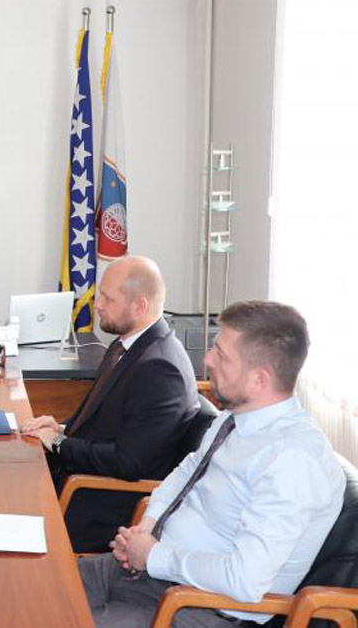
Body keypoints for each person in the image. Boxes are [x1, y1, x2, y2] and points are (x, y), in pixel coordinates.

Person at [80, 300, 345, 627]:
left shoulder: (294, 460)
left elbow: (244, 579)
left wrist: (154, 556)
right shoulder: (235, 418)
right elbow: (188, 471)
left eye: (221, 355)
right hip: (149, 571)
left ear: (259, 380)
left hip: (199, 606)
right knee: (32, 585)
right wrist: (146, 527)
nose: (207, 360)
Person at [22, 256, 198, 552]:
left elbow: (129, 462)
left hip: (100, 505)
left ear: (140, 306)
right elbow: (108, 421)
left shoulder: (160, 368)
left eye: (107, 298)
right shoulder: (126, 345)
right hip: (81, 478)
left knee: (4, 501)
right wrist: (61, 428)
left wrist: (59, 443)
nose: (97, 306)